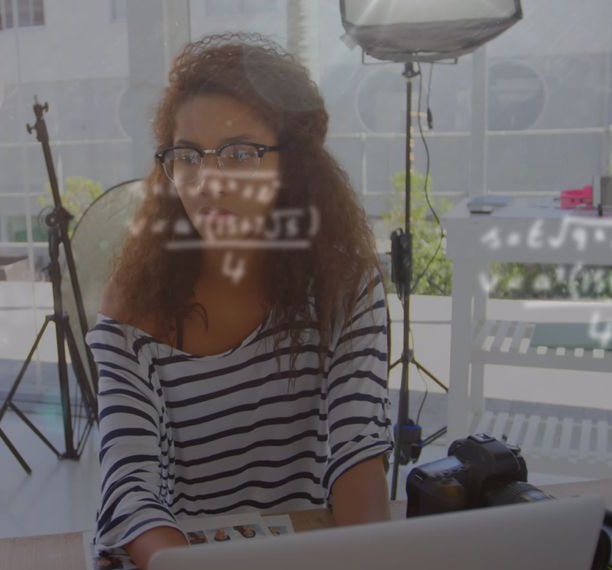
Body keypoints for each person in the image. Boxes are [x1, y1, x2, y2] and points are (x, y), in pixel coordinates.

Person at [88, 32, 393, 570]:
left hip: (306, 547)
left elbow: (358, 448)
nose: (208, 182)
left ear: (291, 168)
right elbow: (129, 489)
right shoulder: (133, 309)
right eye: (188, 156)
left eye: (239, 154)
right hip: (179, 555)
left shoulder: (345, 286)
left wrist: (368, 557)